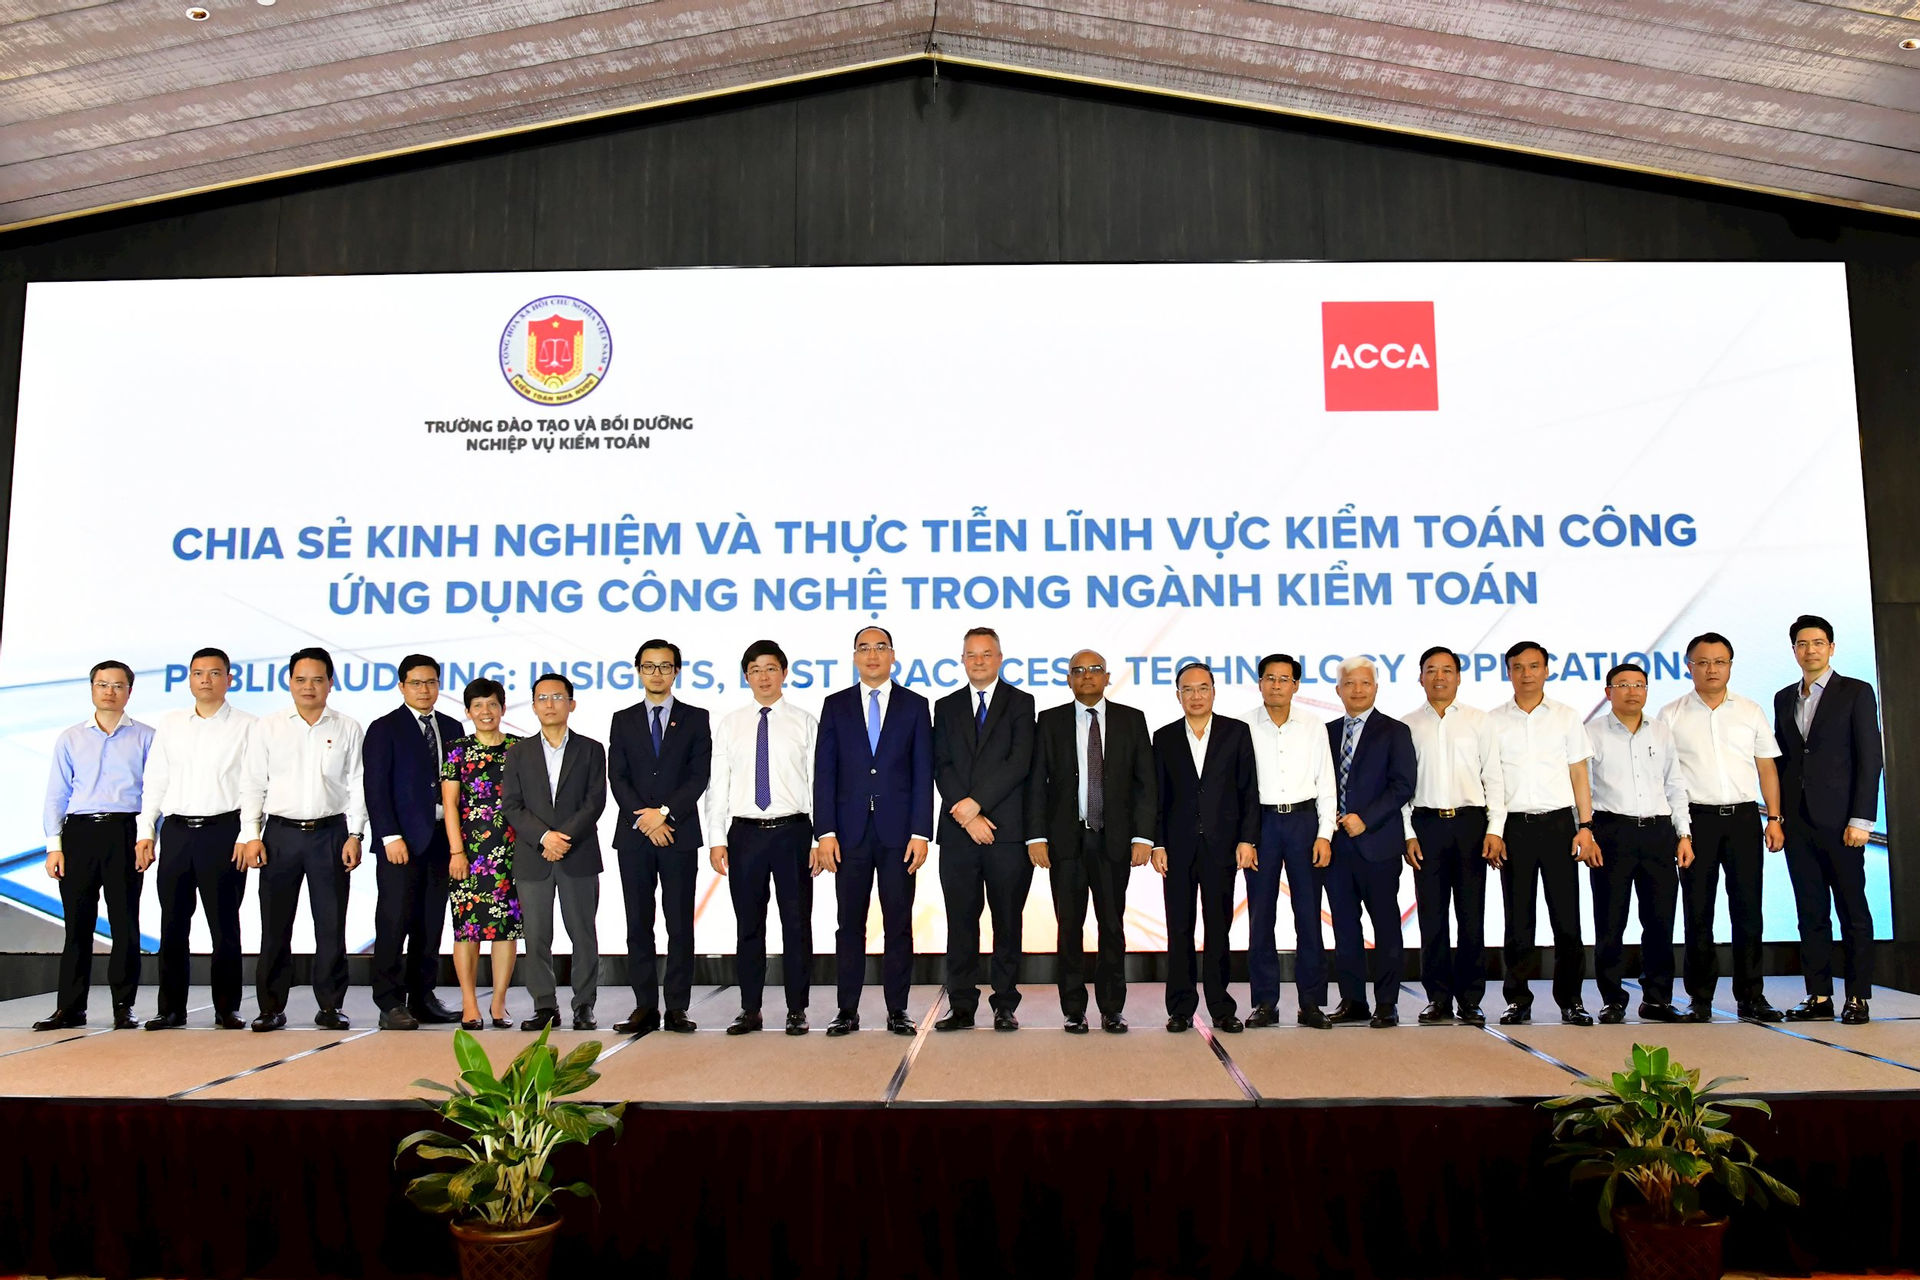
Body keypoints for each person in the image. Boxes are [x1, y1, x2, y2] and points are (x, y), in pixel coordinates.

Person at [1657, 632, 1785, 1023]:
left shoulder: (1750, 710)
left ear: (1730, 665)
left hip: (1745, 818)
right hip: (1696, 822)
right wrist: (1680, 831)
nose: (1711, 669)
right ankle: (1700, 998)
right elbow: (1664, 776)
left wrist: (1774, 818)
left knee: (1748, 910)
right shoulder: (1671, 714)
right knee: (1698, 912)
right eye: (1703, 662)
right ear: (1688, 666)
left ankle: (1751, 996)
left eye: (1719, 662)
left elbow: (1767, 767)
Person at [1027, 649, 1155, 1033]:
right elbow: (1036, 784)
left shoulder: (1132, 720)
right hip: (1066, 842)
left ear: (1107, 677)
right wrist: (1036, 836)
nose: (1087, 675)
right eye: (1078, 670)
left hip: (1113, 841)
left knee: (1112, 927)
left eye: (1095, 669)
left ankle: (1112, 1008)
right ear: (1069, 679)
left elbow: (1145, 784)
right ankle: (1073, 1009)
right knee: (1069, 928)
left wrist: (1143, 837)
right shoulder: (1049, 721)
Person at [813, 626, 933, 1037]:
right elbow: (825, 772)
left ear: (893, 655)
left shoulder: (915, 705)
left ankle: (898, 1010)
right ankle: (846, 1010)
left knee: (898, 924)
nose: (872, 654)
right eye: (864, 648)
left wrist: (921, 832)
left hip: (899, 835)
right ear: (854, 657)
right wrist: (825, 831)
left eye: (880, 647)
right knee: (849, 925)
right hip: (848, 835)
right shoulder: (836, 705)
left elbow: (923, 772)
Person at [241, 647, 366, 1032]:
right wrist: (251, 835)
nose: (308, 687)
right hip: (280, 835)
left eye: (317, 679)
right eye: (300, 679)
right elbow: (253, 783)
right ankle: (270, 1007)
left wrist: (356, 834)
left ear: (331, 683)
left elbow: (359, 783)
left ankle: (330, 1006)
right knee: (275, 925)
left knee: (331, 924)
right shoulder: (269, 726)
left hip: (330, 834)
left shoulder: (347, 727)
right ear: (289, 682)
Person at [34, 660, 156, 1032]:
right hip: (79, 834)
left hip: (125, 832)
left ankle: (124, 1006)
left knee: (125, 924)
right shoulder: (70, 737)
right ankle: (70, 1008)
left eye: (118, 685)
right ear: (92, 688)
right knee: (77, 926)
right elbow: (56, 794)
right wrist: (54, 845)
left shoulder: (147, 737)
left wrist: (148, 837)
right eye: (102, 684)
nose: (109, 692)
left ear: (129, 692)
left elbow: (155, 793)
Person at [1774, 614, 1882, 1025]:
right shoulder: (1783, 698)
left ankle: (1858, 996)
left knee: (1853, 911)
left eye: (1818, 643)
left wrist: (1862, 819)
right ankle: (1818, 995)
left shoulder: (1856, 691)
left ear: (1831, 648)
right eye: (1802, 644)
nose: (1811, 650)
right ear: (1794, 650)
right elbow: (1785, 761)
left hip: (1843, 824)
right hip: (1798, 823)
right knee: (1810, 911)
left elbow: (1870, 758)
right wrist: (1778, 816)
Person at [706, 640, 818, 1035]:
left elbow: (818, 782)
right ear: (746, 676)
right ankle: (749, 1008)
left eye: (771, 668)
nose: (763, 677)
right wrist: (716, 837)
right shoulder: (731, 724)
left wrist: (819, 839)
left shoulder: (805, 722)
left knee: (796, 924)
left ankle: (796, 1009)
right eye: (755, 670)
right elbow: (718, 784)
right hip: (745, 835)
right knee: (749, 926)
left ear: (784, 673)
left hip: (794, 832)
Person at [138, 647, 254, 1031]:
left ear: (229, 679)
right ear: (188, 678)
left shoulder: (248, 725)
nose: (206, 680)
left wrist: (249, 833)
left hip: (224, 831)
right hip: (176, 831)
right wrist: (146, 831)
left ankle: (227, 1008)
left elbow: (254, 785)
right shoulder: (171, 723)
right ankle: (171, 1009)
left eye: (214, 673)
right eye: (198, 673)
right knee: (172, 924)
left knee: (225, 925)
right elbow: (156, 780)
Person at [1487, 641, 1601, 1027]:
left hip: (1558, 826)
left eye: (1534, 666)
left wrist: (1585, 826)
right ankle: (1517, 1000)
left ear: (1547, 670)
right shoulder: (1493, 721)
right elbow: (1492, 780)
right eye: (1518, 667)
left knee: (1567, 920)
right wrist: (1495, 831)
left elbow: (1579, 774)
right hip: (1514, 827)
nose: (1527, 674)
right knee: (1518, 921)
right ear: (1508, 672)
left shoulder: (1566, 717)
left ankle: (1571, 1001)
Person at [932, 627, 1037, 1032]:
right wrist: (966, 815)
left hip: (1005, 833)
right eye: (971, 654)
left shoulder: (1021, 703)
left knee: (1007, 922)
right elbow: (942, 764)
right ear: (962, 660)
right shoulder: (945, 706)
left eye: (986, 654)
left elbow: (1019, 762)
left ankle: (1005, 1004)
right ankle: (960, 1005)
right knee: (961, 922)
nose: (978, 661)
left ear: (1000, 658)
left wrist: (977, 804)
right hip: (959, 833)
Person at [607, 639, 712, 1036]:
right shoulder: (622, 719)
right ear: (638, 670)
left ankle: (678, 1007)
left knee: (680, 923)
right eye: (649, 666)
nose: (657, 673)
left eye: (665, 666)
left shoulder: (695, 718)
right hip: (634, 837)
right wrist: (646, 819)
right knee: (639, 923)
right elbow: (618, 776)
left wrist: (665, 813)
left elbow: (698, 776)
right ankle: (645, 1006)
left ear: (676, 671)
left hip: (678, 835)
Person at [1150, 662, 1258, 1034]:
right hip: (1177, 848)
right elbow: (1157, 797)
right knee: (1179, 928)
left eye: (1203, 688)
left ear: (1214, 691)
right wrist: (1157, 843)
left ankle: (1221, 1007)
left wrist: (1247, 839)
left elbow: (1248, 790)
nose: (1196, 696)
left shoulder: (1236, 732)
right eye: (1188, 689)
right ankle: (1180, 1007)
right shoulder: (1164, 737)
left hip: (1221, 846)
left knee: (1218, 929)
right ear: (1177, 695)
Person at [1401, 646, 1505, 1027]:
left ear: (1459, 677)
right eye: (1431, 670)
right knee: (1432, 918)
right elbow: (1402, 787)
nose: (1439, 677)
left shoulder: (1480, 721)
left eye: (1447, 670)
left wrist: (1495, 829)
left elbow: (1494, 777)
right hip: (1426, 825)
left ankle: (1471, 998)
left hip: (1470, 825)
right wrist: (1408, 834)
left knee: (1471, 916)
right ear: (1420, 678)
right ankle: (1438, 998)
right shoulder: (1407, 725)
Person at [1585, 663, 1691, 1025]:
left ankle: (1657, 999)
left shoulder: (1661, 731)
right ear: (1608, 692)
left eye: (1639, 685)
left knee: (1660, 920)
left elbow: (1675, 784)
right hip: (1612, 832)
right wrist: (1587, 832)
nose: (1632, 691)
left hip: (1659, 832)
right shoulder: (1592, 733)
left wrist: (1684, 834)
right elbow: (1582, 790)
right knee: (1610, 921)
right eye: (1623, 685)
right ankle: (1612, 999)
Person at [363, 654, 463, 1030]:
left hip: (441, 839)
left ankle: (423, 997)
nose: (424, 690)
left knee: (430, 923)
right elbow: (376, 788)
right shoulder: (384, 728)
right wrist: (389, 835)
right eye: (417, 683)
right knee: (394, 921)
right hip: (400, 842)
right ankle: (389, 1002)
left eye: (431, 682)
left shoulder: (452, 727)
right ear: (402, 686)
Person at [502, 672, 607, 1031]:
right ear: (533, 706)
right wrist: (544, 837)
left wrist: (563, 838)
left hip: (578, 854)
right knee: (536, 936)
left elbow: (594, 802)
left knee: (583, 934)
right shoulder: (518, 752)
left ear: (571, 704)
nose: (550, 704)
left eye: (558, 697)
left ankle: (584, 1005)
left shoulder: (591, 749)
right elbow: (511, 805)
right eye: (542, 698)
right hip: (534, 856)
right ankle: (544, 1005)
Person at [1241, 653, 1337, 1029]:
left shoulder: (1313, 725)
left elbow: (1326, 783)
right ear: (1259, 683)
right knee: (1260, 916)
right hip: (1261, 824)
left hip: (1303, 822)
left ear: (1296, 685)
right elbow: (1238, 788)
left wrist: (1325, 834)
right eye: (1270, 678)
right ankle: (1265, 1002)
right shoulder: (1243, 726)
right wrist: (1245, 838)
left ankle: (1311, 1002)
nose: (1276, 685)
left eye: (1284, 679)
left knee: (1309, 916)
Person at [1323, 656, 1417, 1028]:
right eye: (1350, 683)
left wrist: (1366, 818)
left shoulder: (1395, 731)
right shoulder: (1326, 732)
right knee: (1345, 927)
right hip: (1336, 846)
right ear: (1338, 690)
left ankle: (1387, 1003)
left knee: (1386, 925)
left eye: (1365, 683)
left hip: (1378, 843)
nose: (1357, 690)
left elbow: (1403, 785)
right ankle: (1353, 1000)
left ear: (1376, 687)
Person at [439, 677, 522, 1031]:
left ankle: (499, 1003)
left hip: (513, 851)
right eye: (478, 706)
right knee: (467, 931)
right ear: (468, 711)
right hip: (469, 853)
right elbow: (450, 804)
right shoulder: (457, 749)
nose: (485, 711)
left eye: (492, 704)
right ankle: (470, 1003)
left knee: (506, 929)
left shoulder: (520, 748)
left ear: (502, 708)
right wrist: (456, 851)